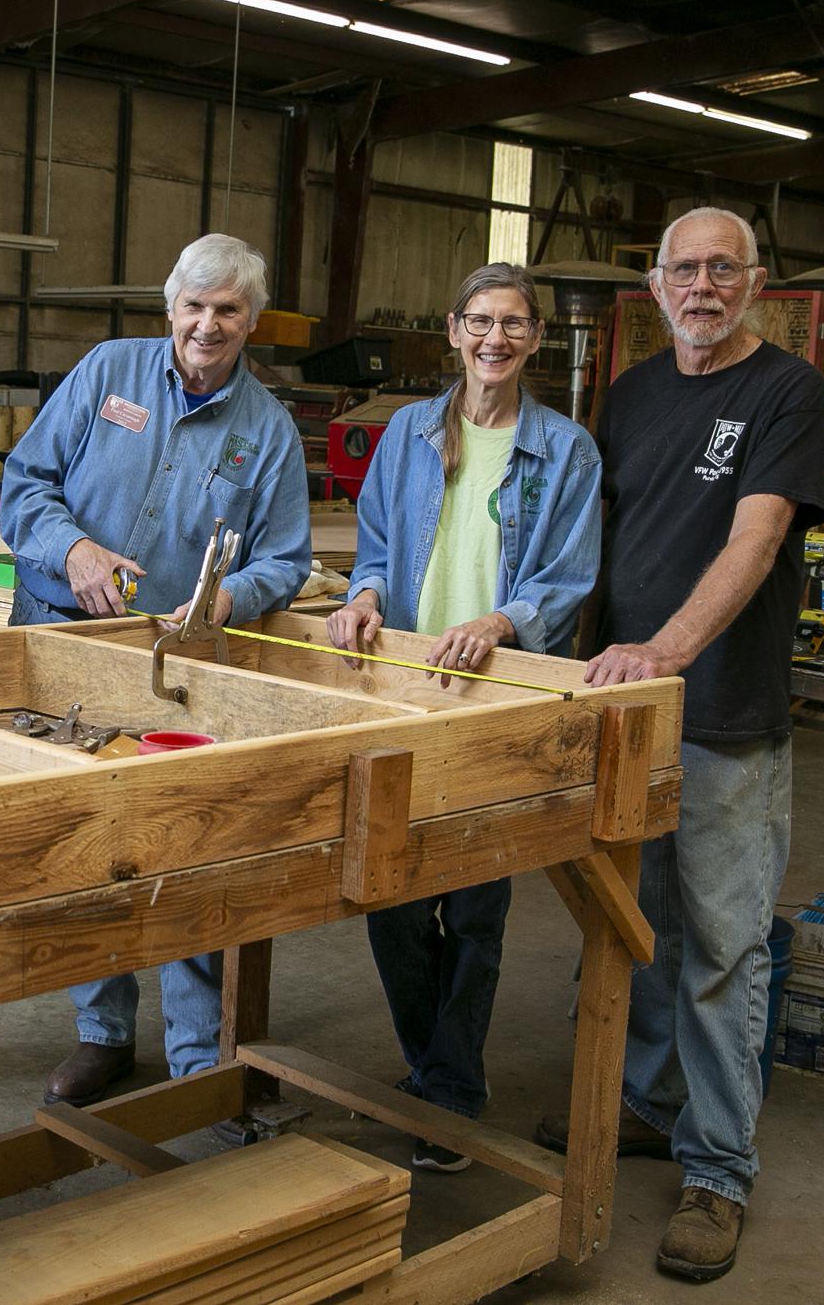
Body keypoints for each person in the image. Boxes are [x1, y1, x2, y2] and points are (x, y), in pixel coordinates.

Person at [534, 207, 824, 1282]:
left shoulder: (786, 394)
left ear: (756, 283)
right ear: (654, 286)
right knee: (637, 928)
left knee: (720, 947)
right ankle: (649, 1110)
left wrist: (663, 650)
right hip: (625, 712)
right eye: (683, 269)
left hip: (722, 714)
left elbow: (755, 540)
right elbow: (597, 543)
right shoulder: (632, 393)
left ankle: (718, 1170)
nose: (701, 285)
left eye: (722, 268)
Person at [0, 232, 312, 1107]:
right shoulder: (107, 374)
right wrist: (76, 554)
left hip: (175, 670)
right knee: (83, 850)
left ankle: (197, 1059)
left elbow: (285, 559)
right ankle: (101, 1034)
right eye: (194, 307)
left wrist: (226, 599)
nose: (208, 326)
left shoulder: (268, 431)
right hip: (63, 645)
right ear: (169, 308)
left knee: (186, 852)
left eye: (229, 311)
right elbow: (25, 485)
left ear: (252, 322)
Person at [325, 262, 601, 1173]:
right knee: (391, 896)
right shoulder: (408, 430)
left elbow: (564, 577)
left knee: (476, 903)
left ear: (534, 338)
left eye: (515, 324)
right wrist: (365, 592)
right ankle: (434, 1069)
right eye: (480, 322)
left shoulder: (566, 451)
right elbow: (374, 541)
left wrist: (501, 620)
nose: (495, 339)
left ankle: (449, 1089)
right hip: (406, 686)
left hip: (498, 698)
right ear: (453, 331)